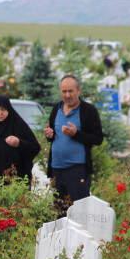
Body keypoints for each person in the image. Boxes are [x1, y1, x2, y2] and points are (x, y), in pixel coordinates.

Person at [44, 75, 103, 212]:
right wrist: (49, 135)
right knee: (59, 211)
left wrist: (76, 134)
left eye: (71, 91)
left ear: (78, 91)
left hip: (77, 169)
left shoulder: (88, 111)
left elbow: (98, 139)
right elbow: (53, 135)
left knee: (78, 212)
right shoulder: (56, 109)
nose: (67, 95)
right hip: (57, 168)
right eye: (64, 91)